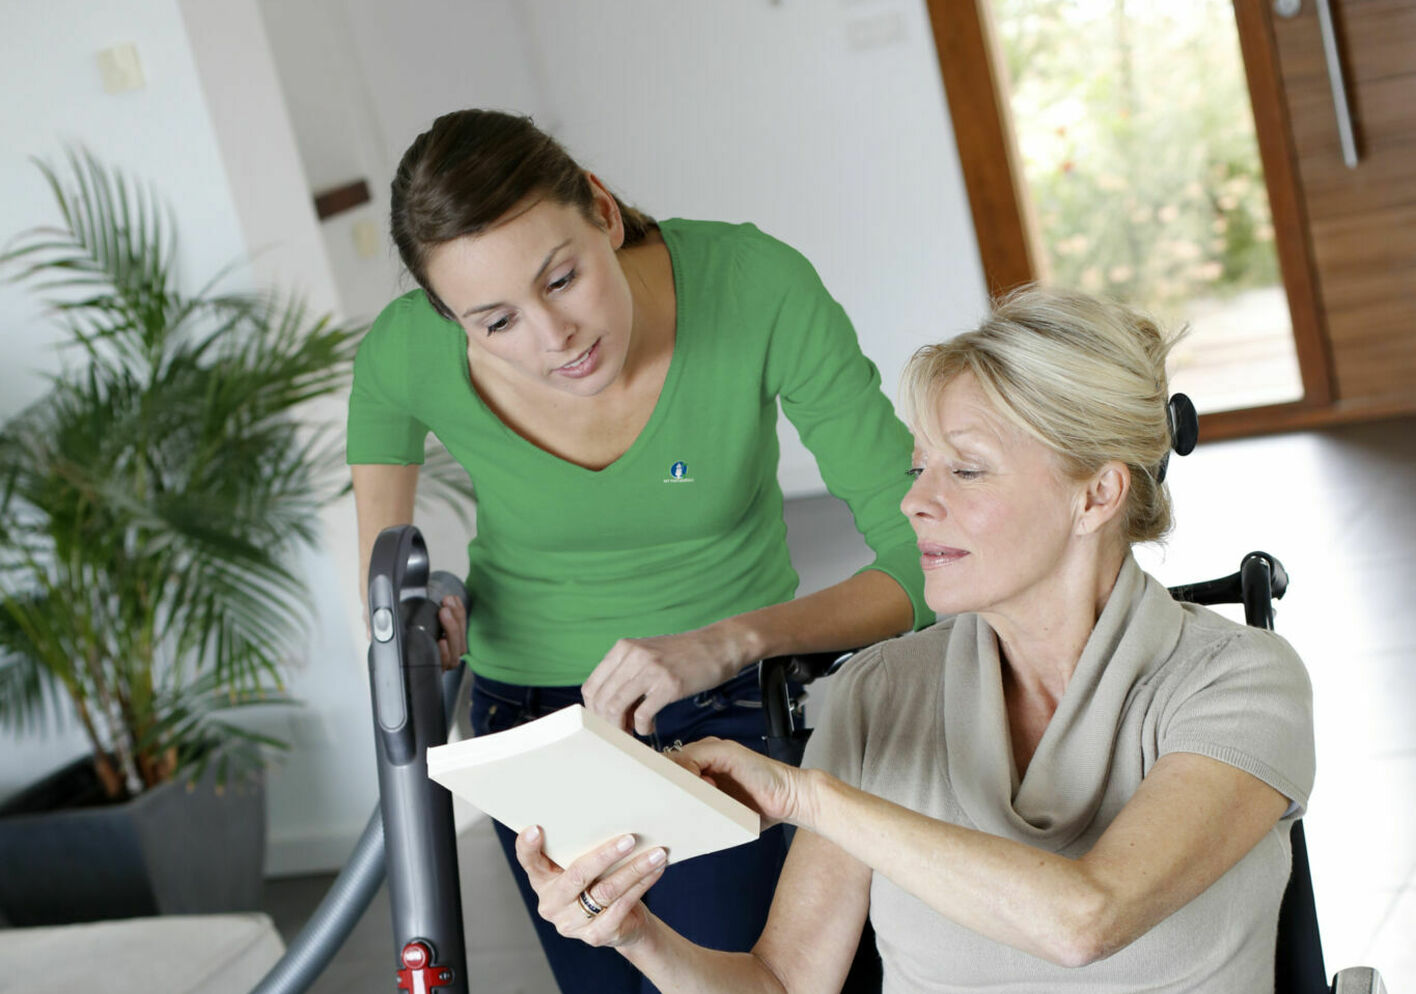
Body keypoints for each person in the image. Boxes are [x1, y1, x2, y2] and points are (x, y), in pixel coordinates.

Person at [514, 286, 1316, 993]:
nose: (915, 505)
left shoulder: (1240, 681)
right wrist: (633, 934)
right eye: (918, 468)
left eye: (965, 472)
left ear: (1098, 493)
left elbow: (1087, 920)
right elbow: (784, 984)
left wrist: (809, 798)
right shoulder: (881, 692)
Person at [345, 108, 930, 993]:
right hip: (533, 732)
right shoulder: (404, 354)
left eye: (563, 278)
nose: (555, 338)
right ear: (448, 319)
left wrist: (737, 636)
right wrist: (421, 625)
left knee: (765, 979)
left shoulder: (752, 285)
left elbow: (926, 557)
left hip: (732, 704)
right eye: (495, 322)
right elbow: (385, 583)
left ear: (604, 214)